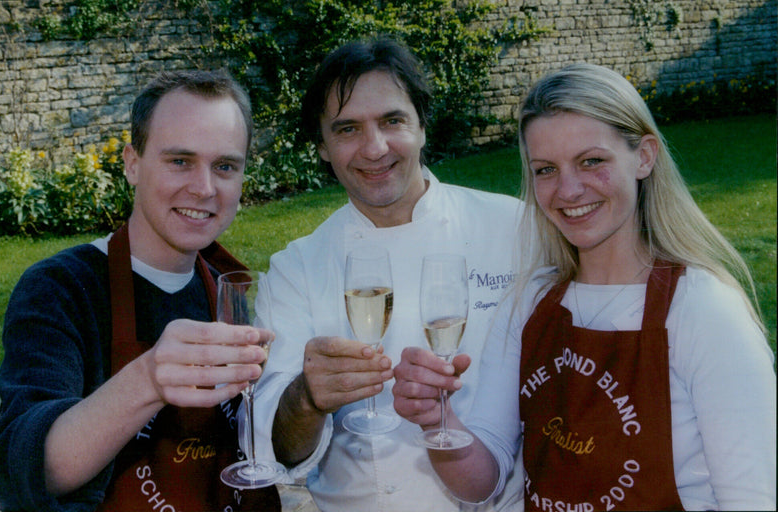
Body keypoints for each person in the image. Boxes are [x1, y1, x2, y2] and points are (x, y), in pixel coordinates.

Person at [392, 62, 777, 511]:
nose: (568, 190)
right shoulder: (529, 303)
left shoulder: (703, 309)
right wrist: (438, 421)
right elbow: (483, 483)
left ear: (644, 156)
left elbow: (753, 499)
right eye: (546, 170)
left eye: (591, 161)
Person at [0, 70, 282, 511]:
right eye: (179, 160)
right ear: (131, 163)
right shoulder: (62, 288)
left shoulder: (224, 285)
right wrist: (147, 379)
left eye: (225, 166)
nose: (204, 188)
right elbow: (26, 472)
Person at [253, 37, 527, 511]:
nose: (374, 148)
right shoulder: (296, 268)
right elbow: (279, 451)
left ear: (422, 125)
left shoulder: (515, 229)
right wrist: (306, 398)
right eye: (347, 129)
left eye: (392, 120)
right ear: (321, 146)